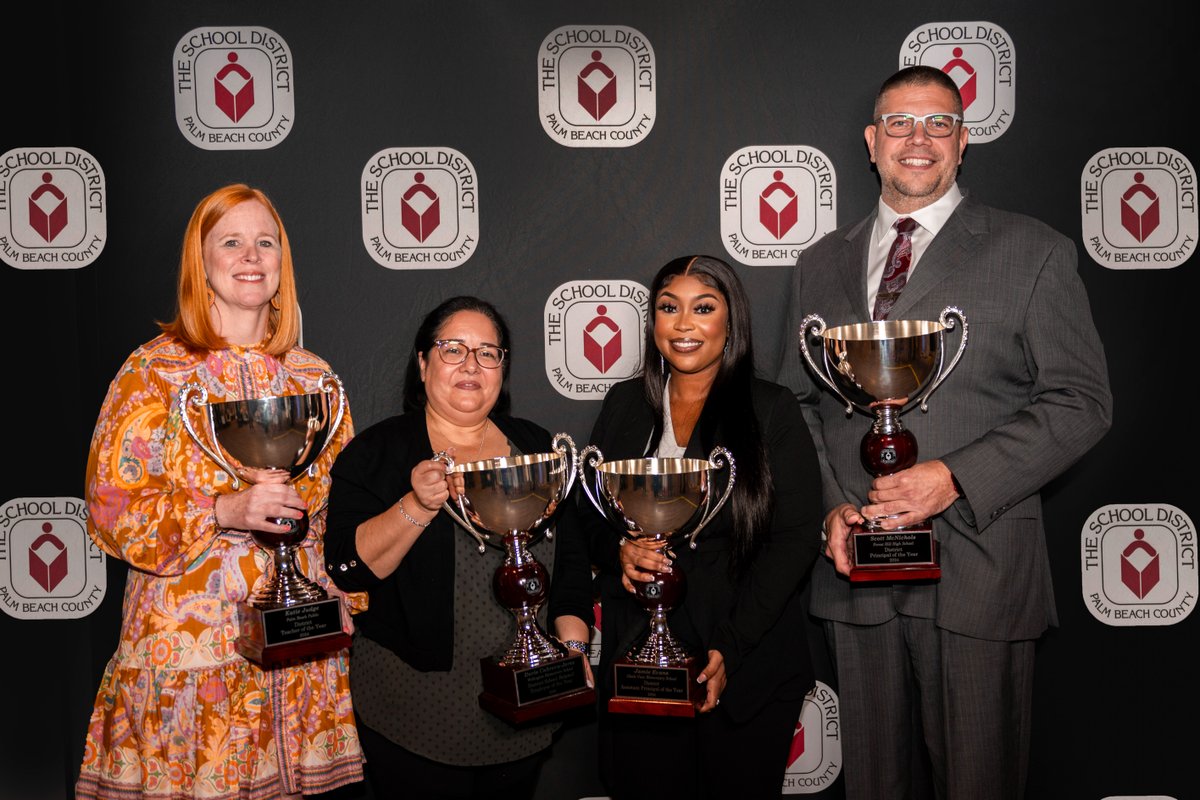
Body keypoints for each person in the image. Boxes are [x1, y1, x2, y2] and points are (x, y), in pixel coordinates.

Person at [775, 65, 1113, 800]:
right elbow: (797, 406)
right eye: (899, 123)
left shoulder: (1033, 251)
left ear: (963, 143)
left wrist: (953, 477)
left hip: (979, 569)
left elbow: (1082, 401)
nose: (917, 140)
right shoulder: (818, 263)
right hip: (856, 573)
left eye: (938, 123)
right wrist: (833, 507)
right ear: (872, 142)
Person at [76, 184, 364, 797]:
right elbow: (111, 506)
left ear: (283, 263)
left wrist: (343, 592)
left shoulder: (315, 377)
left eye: (265, 242)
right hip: (190, 653)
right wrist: (225, 510)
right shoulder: (152, 371)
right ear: (200, 263)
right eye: (230, 242)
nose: (251, 255)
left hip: (297, 650)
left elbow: (345, 508)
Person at [323, 296, 595, 800]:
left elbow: (573, 565)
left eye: (489, 353)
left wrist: (572, 650)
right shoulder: (377, 452)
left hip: (527, 710)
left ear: (502, 369)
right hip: (416, 715)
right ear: (423, 364)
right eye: (453, 349)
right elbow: (346, 568)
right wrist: (417, 505)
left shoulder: (536, 447)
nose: (472, 365)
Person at [583, 255, 824, 799]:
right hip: (641, 663)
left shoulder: (770, 409)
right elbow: (588, 513)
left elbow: (795, 537)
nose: (684, 324)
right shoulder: (624, 404)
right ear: (652, 323)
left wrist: (729, 649)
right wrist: (618, 548)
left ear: (730, 321)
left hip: (744, 664)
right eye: (669, 308)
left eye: (703, 308)